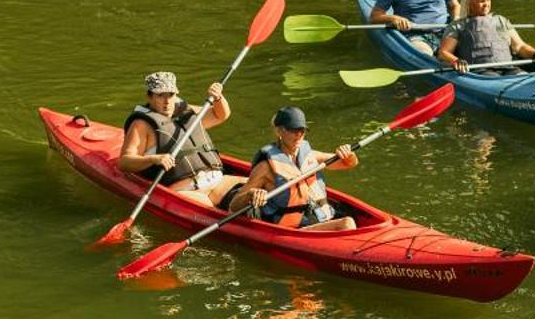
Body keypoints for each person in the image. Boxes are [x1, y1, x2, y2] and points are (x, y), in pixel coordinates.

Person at [119, 71, 246, 206]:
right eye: (160, 96)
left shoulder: (185, 112)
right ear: (149, 97)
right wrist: (154, 159)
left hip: (217, 181)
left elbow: (220, 115)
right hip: (188, 191)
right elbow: (124, 162)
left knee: (261, 185)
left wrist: (219, 98)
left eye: (171, 95)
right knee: (224, 212)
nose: (167, 102)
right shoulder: (141, 125)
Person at [224, 105, 358, 231]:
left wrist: (348, 155)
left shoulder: (310, 155)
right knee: (347, 223)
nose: (299, 134)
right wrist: (250, 194)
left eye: (302, 130)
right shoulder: (265, 168)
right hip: (293, 228)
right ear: (279, 131)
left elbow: (348, 164)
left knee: (350, 216)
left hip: (320, 216)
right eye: (293, 130)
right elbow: (234, 206)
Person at [437, 0, 535, 74]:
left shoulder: (500, 21)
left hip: (509, 68)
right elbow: (444, 52)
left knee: (521, 75)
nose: (486, 4)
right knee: (491, 76)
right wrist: (456, 61)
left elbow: (520, 47)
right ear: (469, 3)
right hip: (481, 72)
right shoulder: (458, 25)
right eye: (481, 1)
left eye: (488, 0)